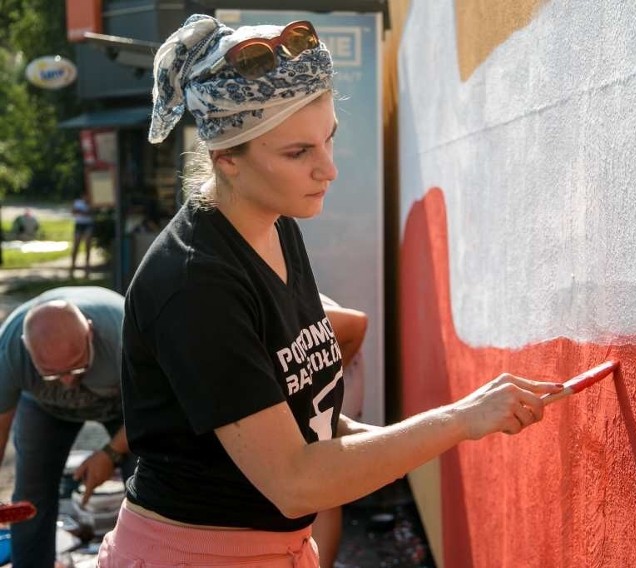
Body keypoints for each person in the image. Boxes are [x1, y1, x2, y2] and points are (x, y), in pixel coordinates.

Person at [97, 15, 563, 567]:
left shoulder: (276, 224)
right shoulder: (196, 283)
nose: (329, 169)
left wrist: (449, 428)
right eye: (298, 153)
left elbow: (306, 419)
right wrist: (457, 420)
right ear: (226, 157)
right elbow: (294, 480)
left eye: (329, 139)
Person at [0, 286, 135, 567]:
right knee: (30, 495)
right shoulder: (9, 350)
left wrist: (110, 453)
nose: (67, 382)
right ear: (27, 347)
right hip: (45, 409)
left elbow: (156, 412)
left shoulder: (127, 334)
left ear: (89, 331)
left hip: (126, 408)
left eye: (76, 368)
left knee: (147, 482)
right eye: (51, 374)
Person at [314, 295, 369, 567]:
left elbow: (357, 324)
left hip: (340, 371)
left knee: (320, 481)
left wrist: (317, 390)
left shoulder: (289, 311)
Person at [70, 193, 94, 278]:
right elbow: (73, 212)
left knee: (87, 246)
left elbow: (90, 213)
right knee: (76, 245)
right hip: (79, 225)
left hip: (88, 225)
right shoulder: (77, 202)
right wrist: (83, 212)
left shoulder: (92, 201)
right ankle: (72, 266)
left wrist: (81, 212)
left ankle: (87, 267)